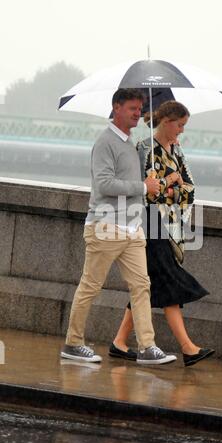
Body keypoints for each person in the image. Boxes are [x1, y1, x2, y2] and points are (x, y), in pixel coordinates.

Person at [61, 89, 177, 365]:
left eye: (140, 108)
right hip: (105, 226)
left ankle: (147, 346)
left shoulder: (131, 143)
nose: (138, 113)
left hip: (131, 228)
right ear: (116, 108)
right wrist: (141, 185)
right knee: (91, 285)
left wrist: (152, 182)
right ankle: (73, 343)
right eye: (133, 109)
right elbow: (104, 184)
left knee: (141, 286)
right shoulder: (105, 142)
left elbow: (136, 187)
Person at [110, 100, 215, 367]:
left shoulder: (177, 151)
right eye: (179, 125)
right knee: (167, 279)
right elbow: (144, 190)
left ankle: (119, 342)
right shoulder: (145, 149)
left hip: (170, 226)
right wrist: (170, 183)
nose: (181, 131)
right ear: (166, 121)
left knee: (150, 282)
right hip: (148, 222)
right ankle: (188, 348)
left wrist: (169, 188)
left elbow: (189, 189)